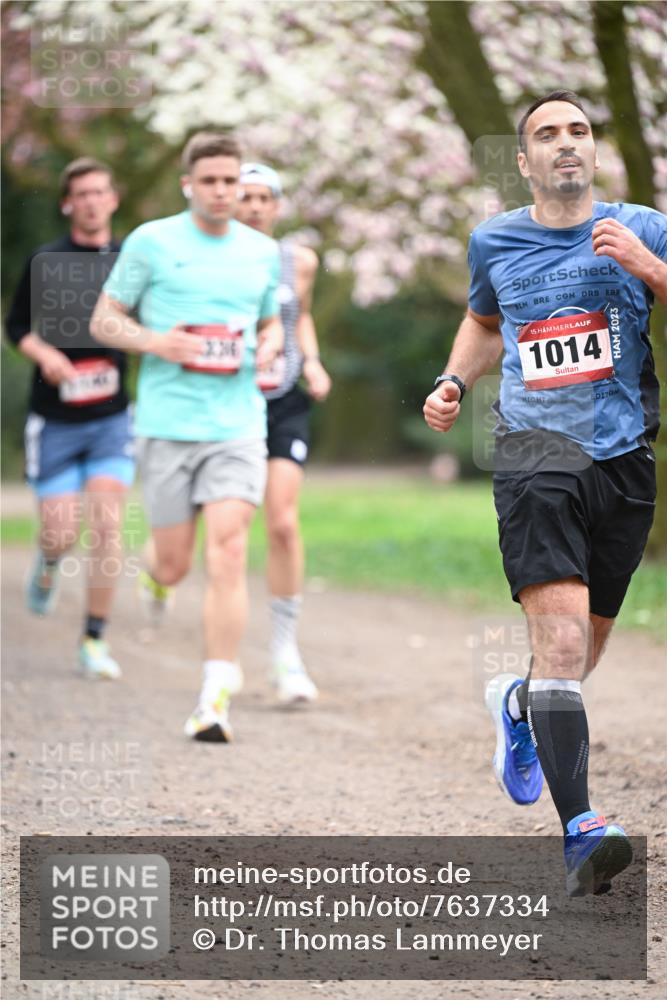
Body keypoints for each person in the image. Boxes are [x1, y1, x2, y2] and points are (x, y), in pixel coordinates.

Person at [423, 90, 667, 896]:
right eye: (545, 135)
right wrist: (454, 379)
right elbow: (486, 321)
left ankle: (518, 702)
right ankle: (580, 830)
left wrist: (645, 267)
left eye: (578, 131)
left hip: (624, 459)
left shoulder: (643, 226)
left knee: (581, 652)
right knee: (561, 647)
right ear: (523, 161)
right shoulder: (493, 238)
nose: (565, 144)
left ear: (592, 152)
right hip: (534, 455)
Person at [90, 132, 282, 743]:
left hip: (237, 425)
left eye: (232, 181)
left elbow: (272, 320)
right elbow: (104, 318)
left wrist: (271, 344)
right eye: (212, 182)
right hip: (169, 426)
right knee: (174, 564)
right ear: (189, 185)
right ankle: (155, 575)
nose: (224, 192)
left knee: (226, 552)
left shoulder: (261, 250)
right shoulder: (151, 241)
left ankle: (214, 696)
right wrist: (157, 342)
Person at [5, 158, 132, 679]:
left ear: (113, 199)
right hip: (54, 420)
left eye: (100, 191)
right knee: (60, 532)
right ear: (67, 203)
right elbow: (15, 328)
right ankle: (51, 560)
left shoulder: (131, 260)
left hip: (111, 419)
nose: (91, 200)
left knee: (107, 526)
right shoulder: (45, 260)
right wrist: (47, 357)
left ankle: (94, 640)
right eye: (81, 193)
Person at [235, 163, 332, 704]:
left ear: (277, 205)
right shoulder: (213, 259)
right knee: (220, 521)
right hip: (227, 401)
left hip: (285, 400)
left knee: (283, 521)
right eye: (244, 196)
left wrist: (312, 362)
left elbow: (303, 317)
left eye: (262, 197)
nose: (252, 206)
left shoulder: (300, 261)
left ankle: (284, 651)